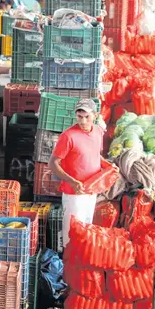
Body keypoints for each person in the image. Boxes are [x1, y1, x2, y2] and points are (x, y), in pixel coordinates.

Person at [49, 99, 103, 246]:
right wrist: (72, 181)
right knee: (72, 232)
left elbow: (95, 154)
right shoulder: (68, 136)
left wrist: (109, 168)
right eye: (79, 116)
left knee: (87, 227)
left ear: (95, 115)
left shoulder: (98, 131)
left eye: (87, 116)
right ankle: (68, 257)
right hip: (74, 193)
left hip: (91, 190)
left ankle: (81, 257)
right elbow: (53, 164)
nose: (83, 121)